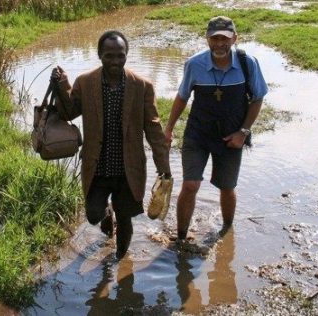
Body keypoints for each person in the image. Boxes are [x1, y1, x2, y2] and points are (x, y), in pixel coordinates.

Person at [51, 30, 171, 259]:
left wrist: (163, 166)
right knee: (94, 215)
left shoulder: (142, 86)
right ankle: (107, 214)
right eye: (109, 56)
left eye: (120, 56)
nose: (115, 61)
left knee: (125, 217)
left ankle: (120, 260)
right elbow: (69, 112)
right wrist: (61, 85)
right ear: (99, 55)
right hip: (97, 165)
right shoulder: (86, 83)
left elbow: (154, 129)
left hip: (128, 167)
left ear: (126, 55)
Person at [164, 16, 268, 241]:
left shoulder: (247, 63)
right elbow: (182, 97)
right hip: (198, 134)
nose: (219, 44)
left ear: (234, 39)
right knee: (190, 185)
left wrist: (243, 132)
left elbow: (258, 98)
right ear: (207, 39)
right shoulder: (194, 64)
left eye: (225, 39)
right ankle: (180, 239)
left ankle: (226, 232)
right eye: (215, 39)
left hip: (231, 136)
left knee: (227, 187)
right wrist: (169, 128)